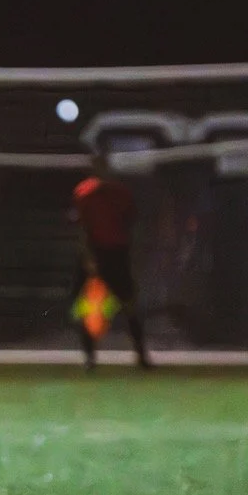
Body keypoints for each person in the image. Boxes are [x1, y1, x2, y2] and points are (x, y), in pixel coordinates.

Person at [71, 156, 151, 369]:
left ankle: (141, 355)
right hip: (97, 254)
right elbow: (82, 229)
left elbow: (130, 224)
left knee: (129, 304)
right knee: (88, 307)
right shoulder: (85, 192)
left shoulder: (120, 193)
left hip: (117, 253)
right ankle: (90, 358)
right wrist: (88, 258)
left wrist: (131, 253)